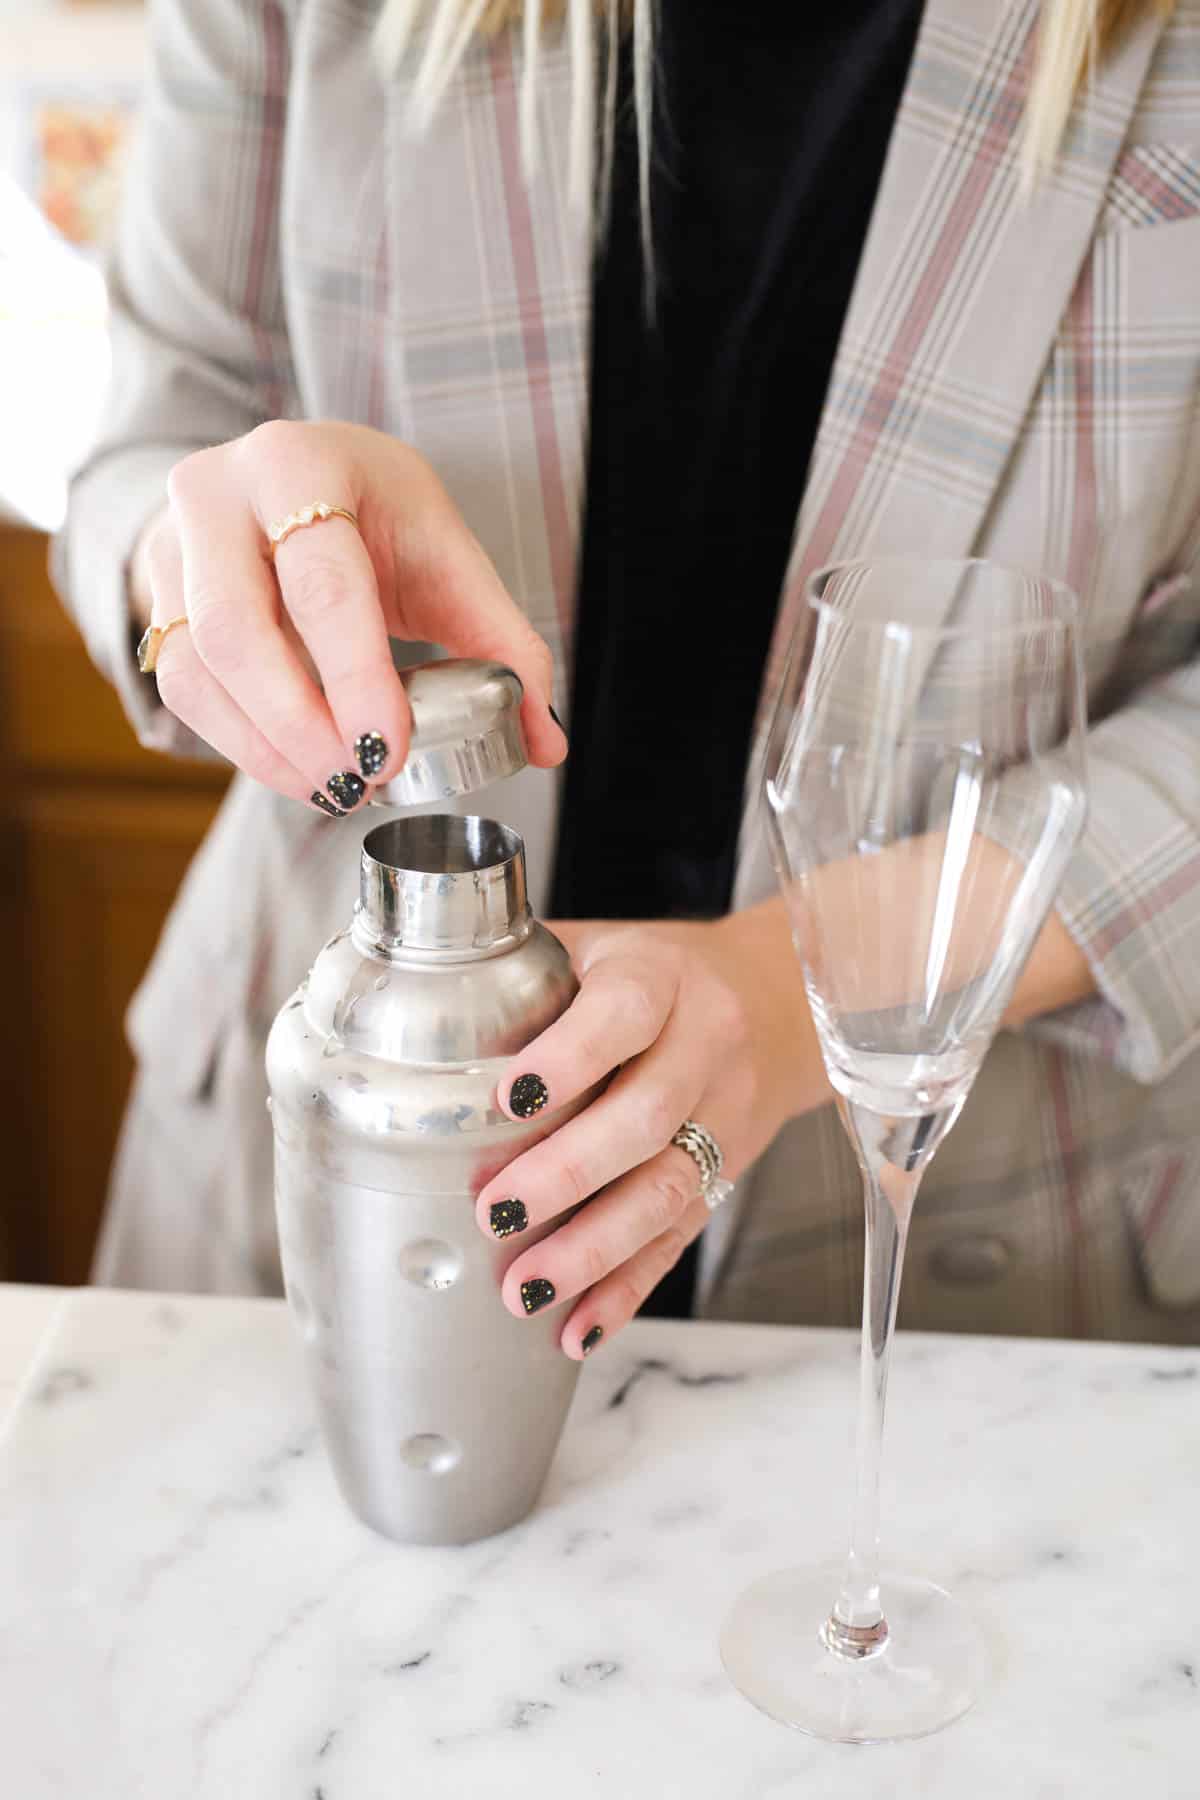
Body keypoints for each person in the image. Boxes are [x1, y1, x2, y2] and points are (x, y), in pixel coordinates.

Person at [54, 0, 1200, 1347]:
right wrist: (208, 559)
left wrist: (784, 994)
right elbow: (162, 431)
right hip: (310, 1164)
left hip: (967, 1255)